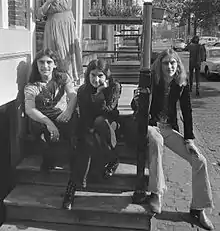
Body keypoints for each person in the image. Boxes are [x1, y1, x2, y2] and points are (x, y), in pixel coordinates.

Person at [131, 48, 214, 230]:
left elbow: (187, 111)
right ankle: (156, 193)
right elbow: (136, 102)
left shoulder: (181, 84)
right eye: (166, 63)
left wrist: (189, 138)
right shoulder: (153, 80)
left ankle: (198, 208)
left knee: (200, 160)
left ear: (178, 66)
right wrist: (139, 100)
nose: (169, 66)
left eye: (173, 63)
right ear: (160, 65)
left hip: (168, 129)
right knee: (156, 140)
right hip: (152, 126)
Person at [62, 58, 122, 210]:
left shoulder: (114, 86)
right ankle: (72, 188)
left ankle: (72, 188)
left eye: (100, 75)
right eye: (93, 75)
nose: (96, 79)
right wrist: (86, 131)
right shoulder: (83, 90)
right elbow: (85, 116)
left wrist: (100, 93)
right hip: (90, 125)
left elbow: (109, 110)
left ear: (106, 76)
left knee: (100, 121)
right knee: (86, 144)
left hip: (110, 125)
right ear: (88, 75)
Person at [24, 48, 78, 172]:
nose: (45, 66)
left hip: (61, 115)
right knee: (44, 134)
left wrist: (68, 111)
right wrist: (49, 124)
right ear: (36, 65)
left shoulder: (63, 78)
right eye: (41, 62)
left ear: (55, 64)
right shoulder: (32, 86)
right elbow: (30, 109)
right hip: (42, 119)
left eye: (49, 62)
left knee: (75, 124)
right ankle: (48, 163)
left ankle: (75, 160)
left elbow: (73, 95)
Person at [34, 0, 83, 83]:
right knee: (60, 56)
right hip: (55, 27)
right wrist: (49, 1)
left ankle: (70, 87)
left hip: (68, 26)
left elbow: (68, 6)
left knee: (71, 55)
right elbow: (38, 14)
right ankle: (60, 86)